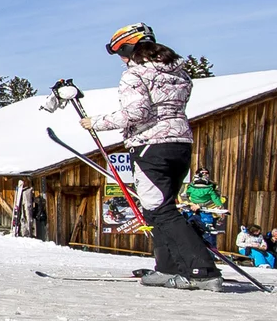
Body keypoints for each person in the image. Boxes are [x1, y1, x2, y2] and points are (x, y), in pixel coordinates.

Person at [81, 24, 221, 291]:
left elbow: (137, 113)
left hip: (151, 145)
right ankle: (168, 267)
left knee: (160, 209)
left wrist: (95, 122)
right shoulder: (179, 73)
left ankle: (202, 271)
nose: (122, 60)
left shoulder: (135, 75)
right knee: (159, 208)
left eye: (121, 54)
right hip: (180, 144)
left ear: (130, 48)